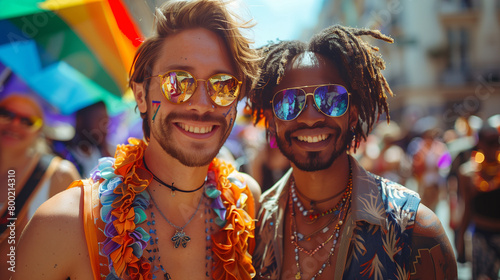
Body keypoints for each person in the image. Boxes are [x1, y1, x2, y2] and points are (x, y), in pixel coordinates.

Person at [13, 1, 260, 279]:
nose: (202, 105)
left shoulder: (246, 203)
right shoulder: (63, 225)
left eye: (223, 84)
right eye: (177, 82)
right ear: (142, 96)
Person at [250, 25, 457, 279]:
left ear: (353, 115)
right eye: (290, 103)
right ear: (271, 122)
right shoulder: (252, 225)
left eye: (330, 98)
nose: (311, 118)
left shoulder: (414, 229)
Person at [0, 94, 80, 277]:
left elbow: (75, 250)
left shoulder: (59, 174)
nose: (15, 124)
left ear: (40, 129)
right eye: (6, 114)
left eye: (28, 121)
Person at [457, 123, 500, 279]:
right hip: (481, 237)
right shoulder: (468, 173)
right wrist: (461, 241)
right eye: (490, 143)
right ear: (480, 143)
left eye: (498, 142)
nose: (495, 147)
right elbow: (466, 208)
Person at [52, 101, 113, 177]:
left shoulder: (102, 156)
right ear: (80, 120)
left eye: (106, 122)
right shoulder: (60, 153)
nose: (105, 129)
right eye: (99, 120)